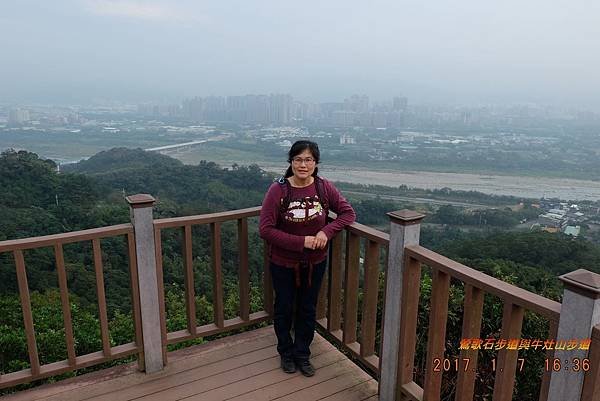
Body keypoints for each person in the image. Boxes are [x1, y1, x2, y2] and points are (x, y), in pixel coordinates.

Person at [259, 140, 356, 377]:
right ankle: (285, 352)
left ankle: (302, 353)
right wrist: (301, 242)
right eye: (298, 159)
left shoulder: (323, 188)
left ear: (316, 163)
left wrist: (325, 232)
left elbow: (347, 214)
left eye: (309, 160)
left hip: (315, 263)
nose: (303, 164)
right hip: (283, 263)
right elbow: (266, 229)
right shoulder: (278, 190)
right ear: (291, 162)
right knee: (283, 307)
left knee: (307, 309)